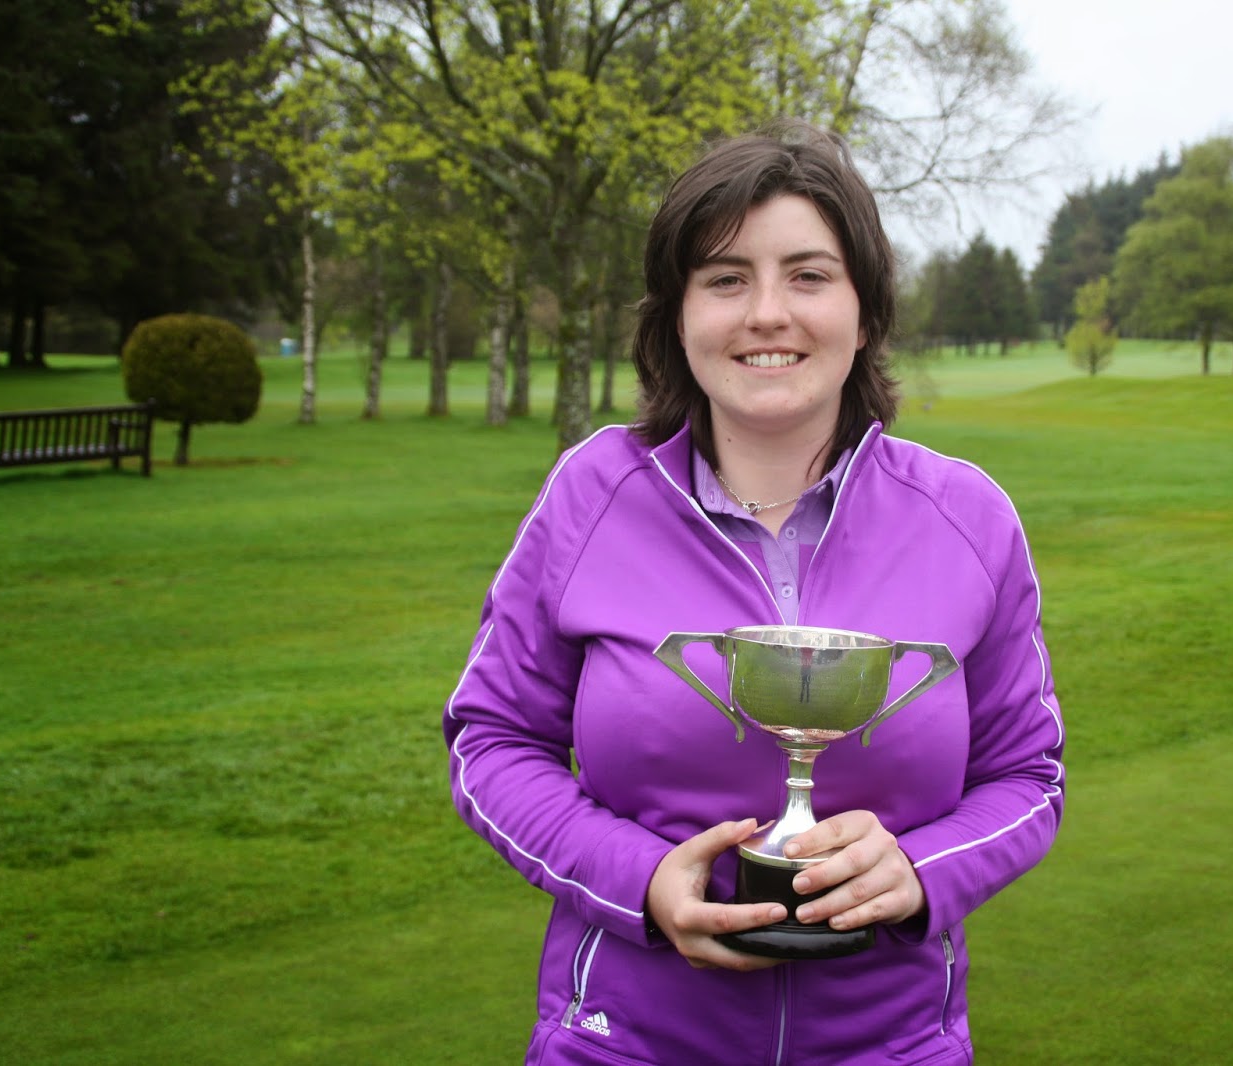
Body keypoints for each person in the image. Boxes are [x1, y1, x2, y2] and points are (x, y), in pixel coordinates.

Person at [444, 120, 1065, 1065]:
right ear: (678, 313)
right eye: (726, 278)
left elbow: (1030, 778)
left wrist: (917, 868)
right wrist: (641, 880)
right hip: (622, 1044)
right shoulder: (590, 494)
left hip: (893, 1048)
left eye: (809, 276)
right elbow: (491, 742)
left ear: (865, 312)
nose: (766, 313)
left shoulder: (968, 517)